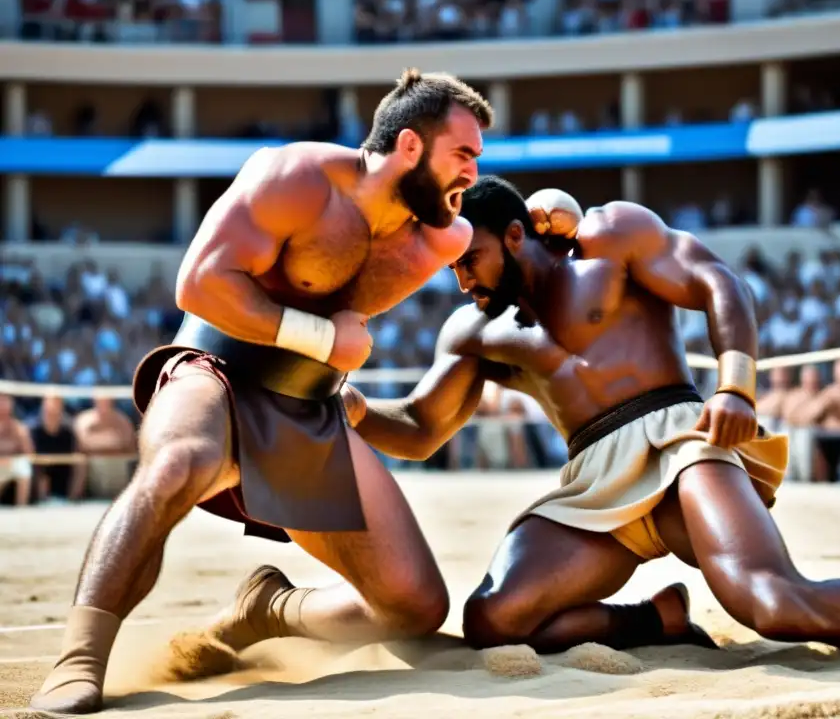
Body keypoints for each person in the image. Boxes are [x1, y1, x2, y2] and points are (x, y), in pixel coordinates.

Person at [344, 176, 840, 664]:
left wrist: (736, 388)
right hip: (591, 485)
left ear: (515, 234)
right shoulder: (476, 333)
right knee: (496, 620)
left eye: (471, 261)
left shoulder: (608, 240)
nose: (462, 281)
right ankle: (655, 620)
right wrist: (356, 411)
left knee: (772, 603)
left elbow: (715, 280)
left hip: (680, 440)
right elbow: (421, 425)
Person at [30, 69, 500, 715]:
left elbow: (515, 227)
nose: (472, 173)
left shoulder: (444, 233)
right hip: (217, 368)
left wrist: (560, 217)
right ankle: (79, 658)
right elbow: (197, 284)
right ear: (412, 147)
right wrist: (318, 337)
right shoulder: (297, 179)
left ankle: (269, 609)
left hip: (308, 406)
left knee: (413, 604)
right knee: (178, 464)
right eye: (464, 155)